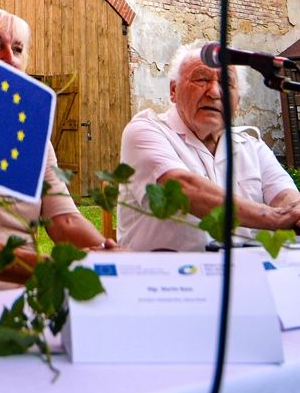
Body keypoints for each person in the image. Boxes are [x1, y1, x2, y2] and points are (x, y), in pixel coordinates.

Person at [0, 6, 115, 286]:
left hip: (29, 283)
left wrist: (110, 257)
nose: (10, 58)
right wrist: (54, 269)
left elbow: (65, 221)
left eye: (19, 49)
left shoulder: (34, 138)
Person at [118, 42, 300, 250]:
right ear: (173, 91)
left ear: (238, 101)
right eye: (201, 79)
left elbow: (286, 196)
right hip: (167, 278)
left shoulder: (252, 146)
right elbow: (183, 187)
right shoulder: (145, 130)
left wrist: (294, 212)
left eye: (225, 82)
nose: (214, 92)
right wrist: (276, 217)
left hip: (247, 273)